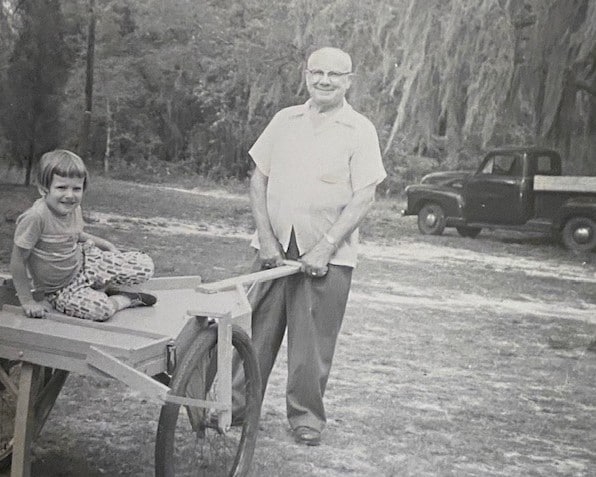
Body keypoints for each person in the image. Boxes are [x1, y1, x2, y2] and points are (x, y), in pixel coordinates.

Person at [235, 47, 387, 446]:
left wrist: (326, 247)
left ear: (349, 81)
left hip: (328, 257)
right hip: (272, 248)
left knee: (312, 345)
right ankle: (234, 406)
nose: (324, 80)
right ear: (305, 75)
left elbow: (365, 196)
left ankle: (306, 418)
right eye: (317, 72)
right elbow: (258, 179)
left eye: (334, 74)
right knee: (253, 333)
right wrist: (266, 237)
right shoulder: (285, 120)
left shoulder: (360, 129)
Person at [10, 149, 156, 322]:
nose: (70, 195)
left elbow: (75, 235)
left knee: (145, 265)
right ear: (44, 189)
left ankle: (102, 286)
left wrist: (106, 244)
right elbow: (17, 261)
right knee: (101, 310)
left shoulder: (74, 209)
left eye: (76, 188)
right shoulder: (35, 217)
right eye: (61, 187)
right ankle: (124, 299)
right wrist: (27, 301)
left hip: (87, 263)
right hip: (61, 289)